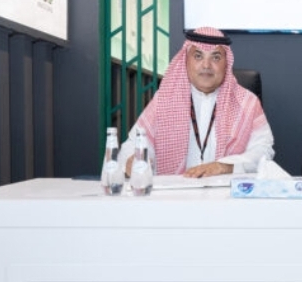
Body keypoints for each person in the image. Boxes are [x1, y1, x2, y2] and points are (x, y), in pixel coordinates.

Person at [108, 27, 274, 178]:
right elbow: (133, 144)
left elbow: (263, 151)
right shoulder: (164, 100)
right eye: (198, 56)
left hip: (226, 193)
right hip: (175, 195)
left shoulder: (247, 103)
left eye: (216, 57)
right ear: (186, 61)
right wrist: (132, 160)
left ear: (226, 64)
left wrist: (224, 166)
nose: (206, 65)